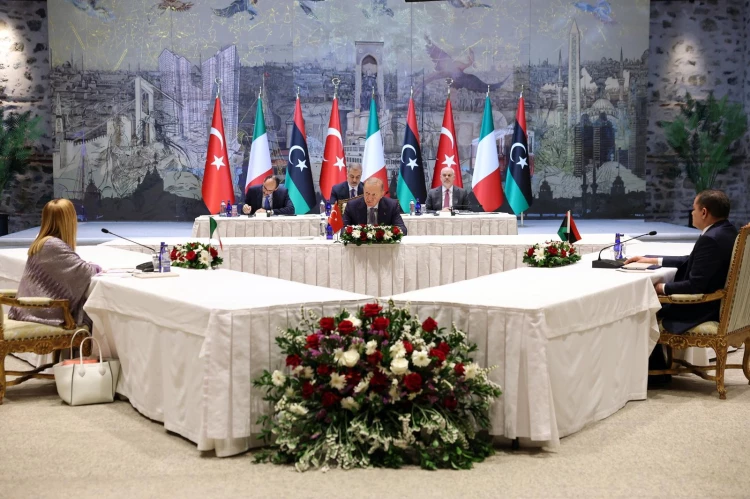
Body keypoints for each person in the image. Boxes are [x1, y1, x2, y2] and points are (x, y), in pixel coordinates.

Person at [625, 190, 738, 383]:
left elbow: (694, 285)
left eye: (693, 209)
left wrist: (660, 288)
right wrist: (652, 259)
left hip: (701, 309)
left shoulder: (710, 239)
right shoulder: (727, 231)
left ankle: (655, 375)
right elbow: (691, 260)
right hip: (721, 307)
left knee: (642, 307)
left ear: (704, 212)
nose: (691, 213)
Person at [8, 199, 101, 326]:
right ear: (69, 220)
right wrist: (96, 267)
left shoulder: (42, 242)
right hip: (38, 315)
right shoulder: (52, 245)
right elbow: (86, 272)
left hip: (27, 311)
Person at [342, 177, 408, 235]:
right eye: (367, 193)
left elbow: (402, 229)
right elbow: (343, 230)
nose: (369, 198)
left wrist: (386, 234)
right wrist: (357, 234)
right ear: (363, 191)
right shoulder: (352, 206)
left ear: (382, 194)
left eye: (374, 195)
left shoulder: (392, 206)